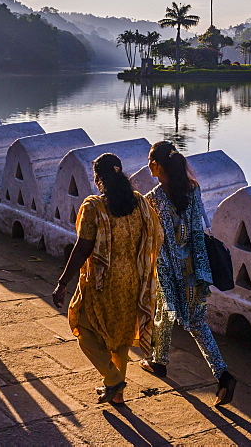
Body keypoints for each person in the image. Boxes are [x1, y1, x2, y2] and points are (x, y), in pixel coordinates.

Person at [52, 153, 163, 405]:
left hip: (103, 282)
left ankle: (113, 380)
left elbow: (82, 248)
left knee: (83, 328)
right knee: (120, 337)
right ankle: (117, 394)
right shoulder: (138, 202)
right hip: (132, 279)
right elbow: (156, 236)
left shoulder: (94, 207)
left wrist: (62, 283)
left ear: (98, 178)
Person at [141, 141, 237, 405]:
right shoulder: (193, 190)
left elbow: (151, 237)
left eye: (151, 160)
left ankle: (216, 373)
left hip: (168, 271)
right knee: (186, 319)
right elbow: (197, 230)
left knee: (173, 314)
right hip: (196, 269)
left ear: (159, 165)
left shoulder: (153, 199)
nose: (149, 165)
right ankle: (164, 361)